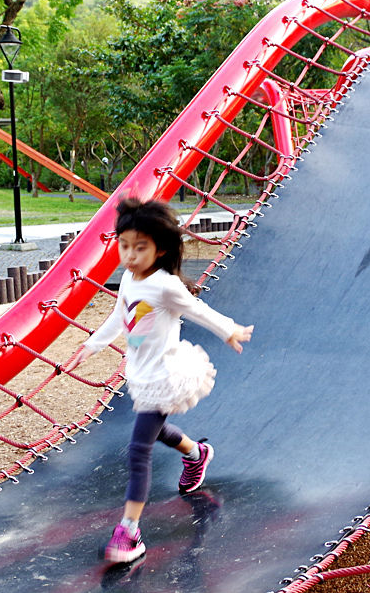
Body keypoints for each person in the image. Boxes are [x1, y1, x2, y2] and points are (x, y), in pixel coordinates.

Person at [66, 197, 253, 564]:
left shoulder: (166, 285)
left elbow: (197, 309)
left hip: (166, 375)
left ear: (160, 249)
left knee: (139, 450)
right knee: (155, 429)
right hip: (142, 373)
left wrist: (228, 330)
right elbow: (120, 317)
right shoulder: (128, 281)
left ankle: (130, 531)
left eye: (141, 247)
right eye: (124, 246)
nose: (131, 255)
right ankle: (196, 454)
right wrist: (94, 343)